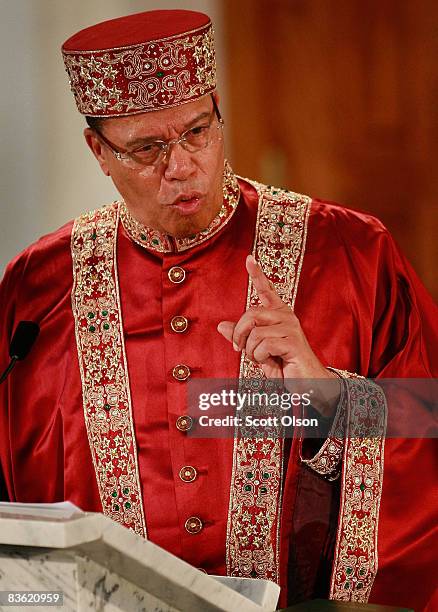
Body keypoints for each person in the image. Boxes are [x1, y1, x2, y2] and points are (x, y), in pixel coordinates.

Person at [0, 9, 436, 611]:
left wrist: (329, 399)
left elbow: (429, 422)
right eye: (147, 148)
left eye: (198, 131)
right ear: (98, 150)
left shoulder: (352, 253)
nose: (181, 167)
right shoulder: (35, 289)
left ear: (217, 109)